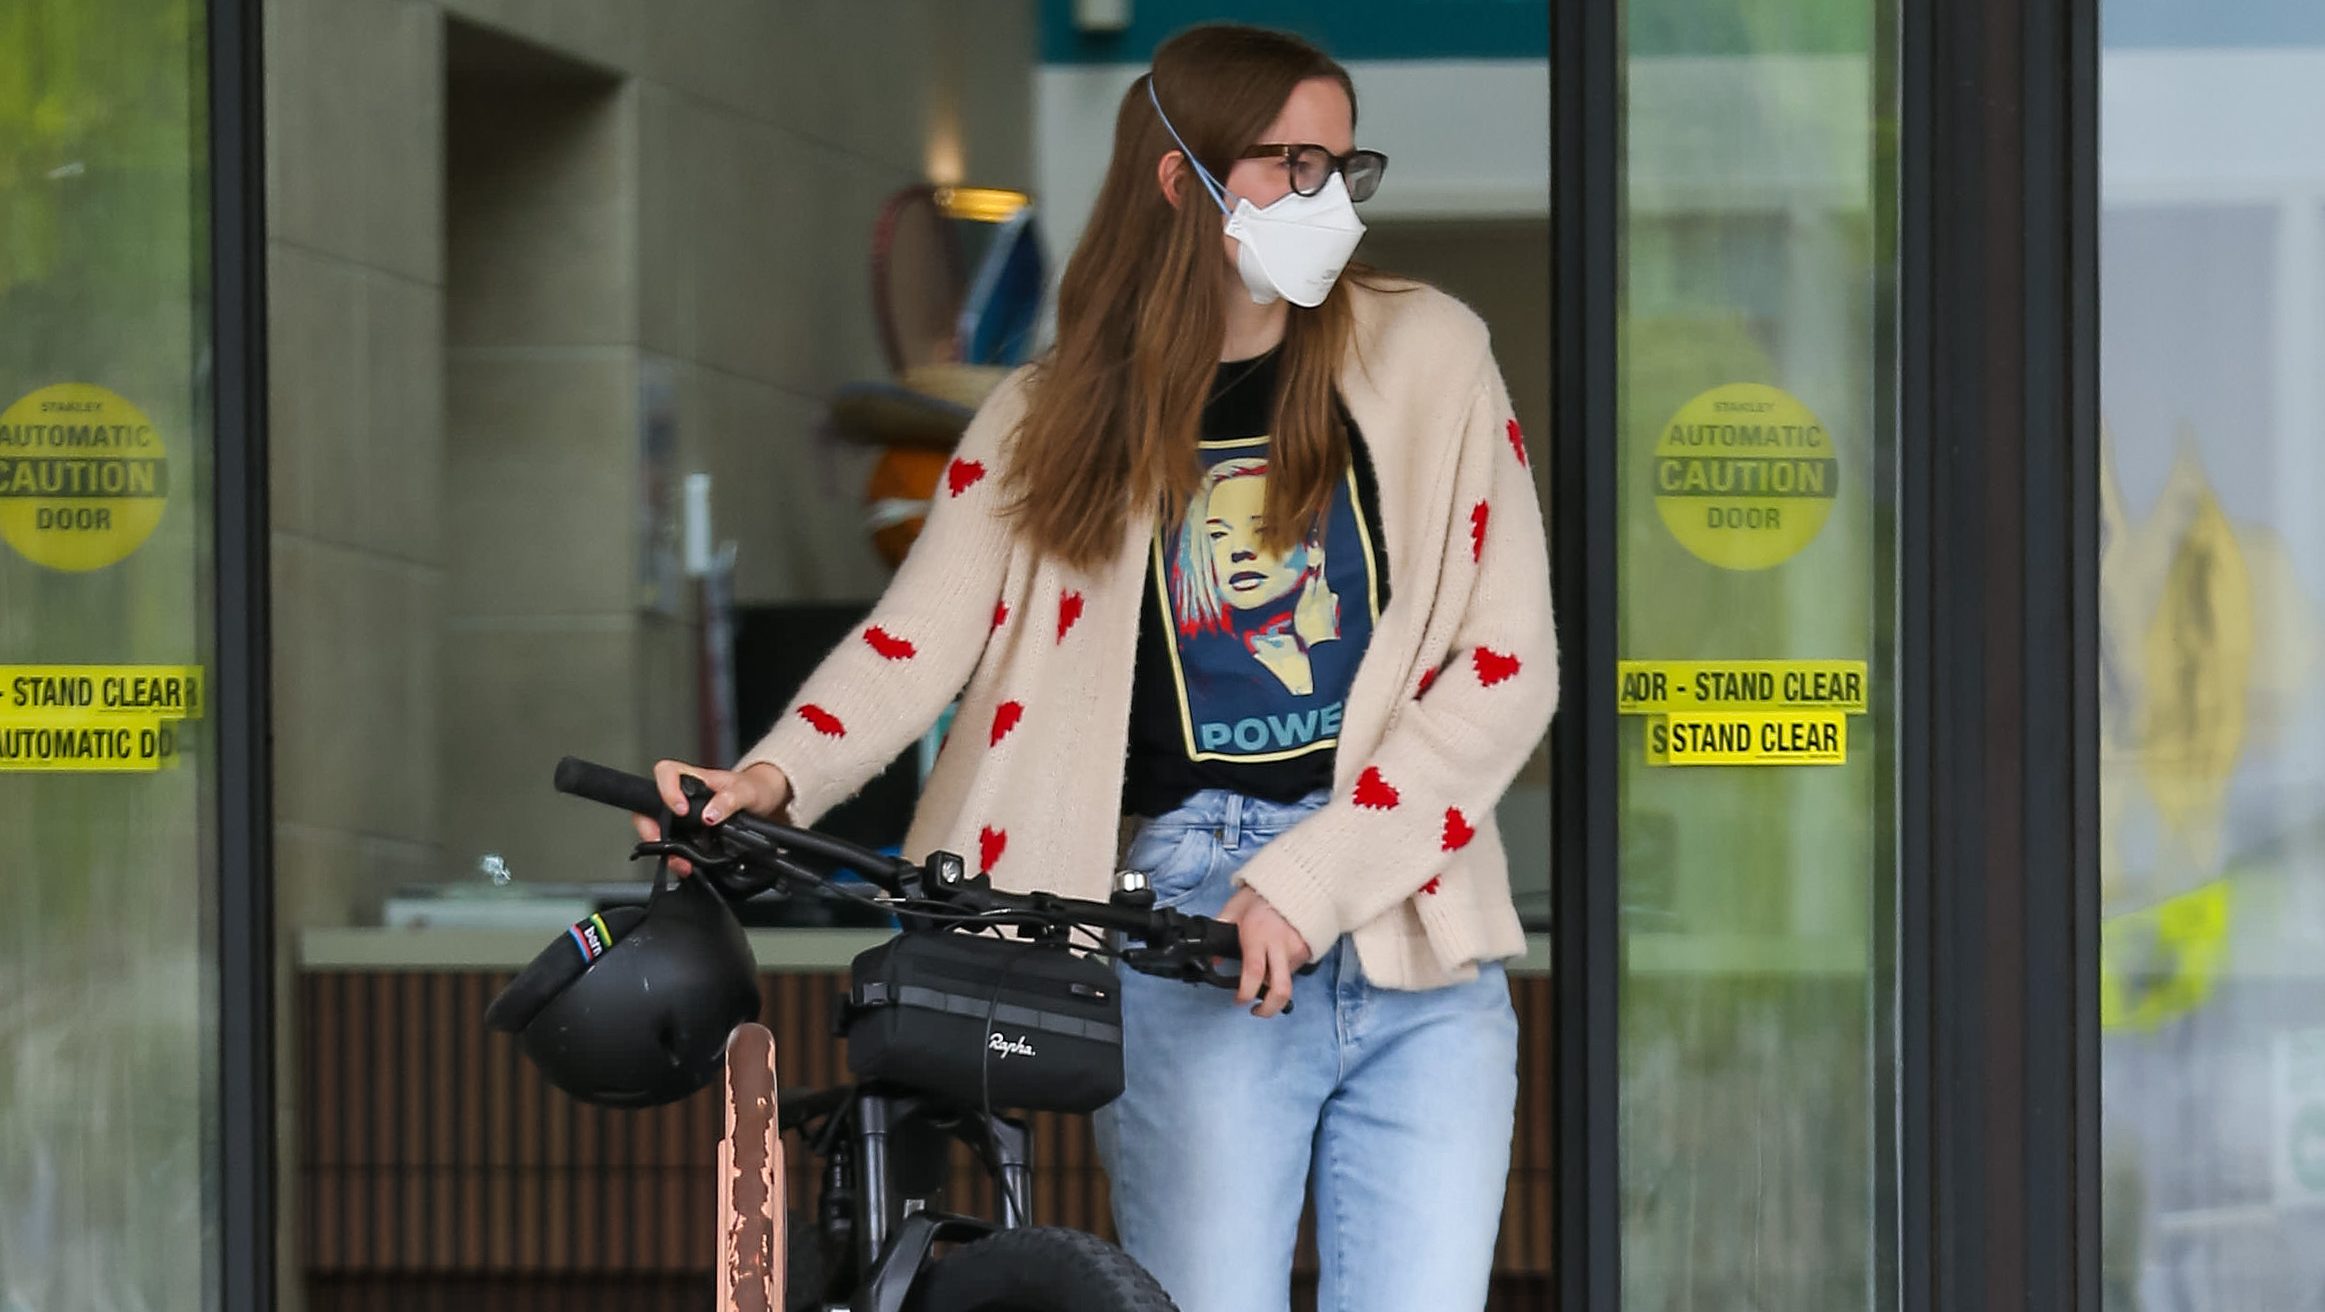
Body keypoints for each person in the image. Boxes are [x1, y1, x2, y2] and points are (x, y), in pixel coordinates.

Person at [638, 22, 1558, 1312]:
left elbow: (1507, 663)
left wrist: (1314, 878)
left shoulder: (1430, 355)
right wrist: (771, 778)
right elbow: (914, 645)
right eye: (1292, 164)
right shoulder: (1046, 418)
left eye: (1347, 169)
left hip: (1419, 925)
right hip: (1185, 932)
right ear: (1180, 179)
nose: (1327, 201)